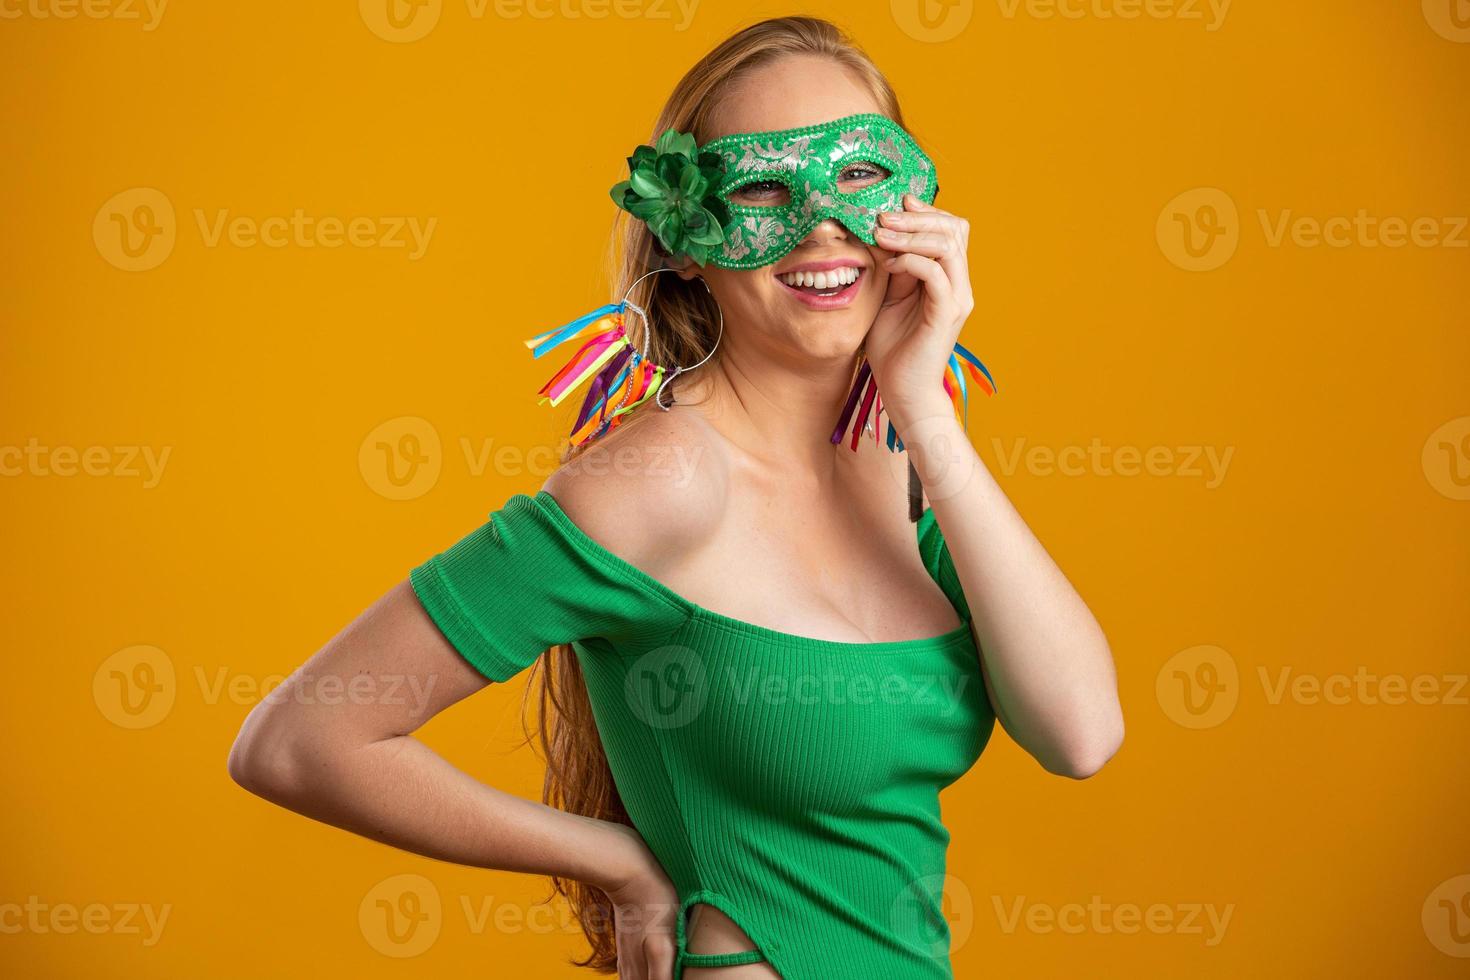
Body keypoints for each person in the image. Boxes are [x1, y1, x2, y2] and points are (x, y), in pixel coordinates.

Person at [228, 15, 1123, 980]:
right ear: (685, 241)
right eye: (764, 189)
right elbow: (299, 741)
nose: (823, 223)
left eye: (860, 175)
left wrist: (927, 416)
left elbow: (1079, 732)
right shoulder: (663, 480)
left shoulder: (898, 455)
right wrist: (612, 861)